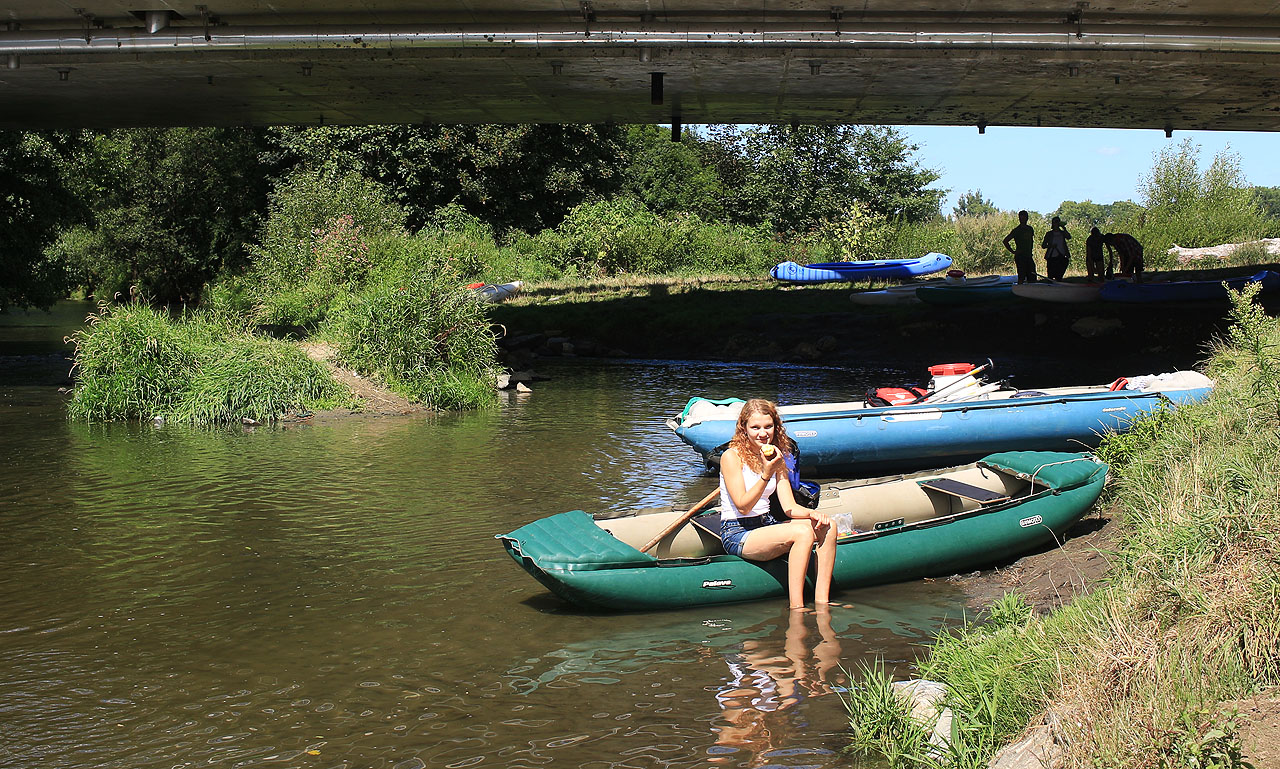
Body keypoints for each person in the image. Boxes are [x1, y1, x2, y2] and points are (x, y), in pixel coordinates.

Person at [719, 399, 837, 610]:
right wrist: (766, 473)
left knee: (829, 526)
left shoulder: (776, 455)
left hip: (766, 523)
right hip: (738, 531)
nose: (762, 433)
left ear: (776, 426)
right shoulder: (731, 457)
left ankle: (822, 602)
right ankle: (797, 607)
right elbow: (743, 506)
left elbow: (789, 507)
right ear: (744, 428)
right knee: (802, 533)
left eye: (768, 426)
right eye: (755, 427)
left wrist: (812, 514)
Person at [1002, 210, 1037, 284]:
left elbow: (1031, 241)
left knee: (1032, 275)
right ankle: (1020, 288)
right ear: (1019, 218)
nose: (1023, 219)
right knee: (1021, 276)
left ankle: (1032, 289)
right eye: (1021, 218)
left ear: (1027, 218)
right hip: (1020, 257)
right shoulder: (1016, 230)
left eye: (1024, 217)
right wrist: (1013, 251)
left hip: (1029, 256)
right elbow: (1005, 241)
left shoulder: (1030, 229)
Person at [1041, 216, 1072, 281]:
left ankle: (1058, 282)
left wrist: (1064, 229)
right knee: (1051, 275)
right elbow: (1043, 245)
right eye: (1055, 222)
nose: (1056, 223)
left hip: (1061, 255)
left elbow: (1069, 237)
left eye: (1058, 222)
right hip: (1051, 256)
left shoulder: (1062, 233)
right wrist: (1050, 246)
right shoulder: (1049, 234)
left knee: (1059, 275)